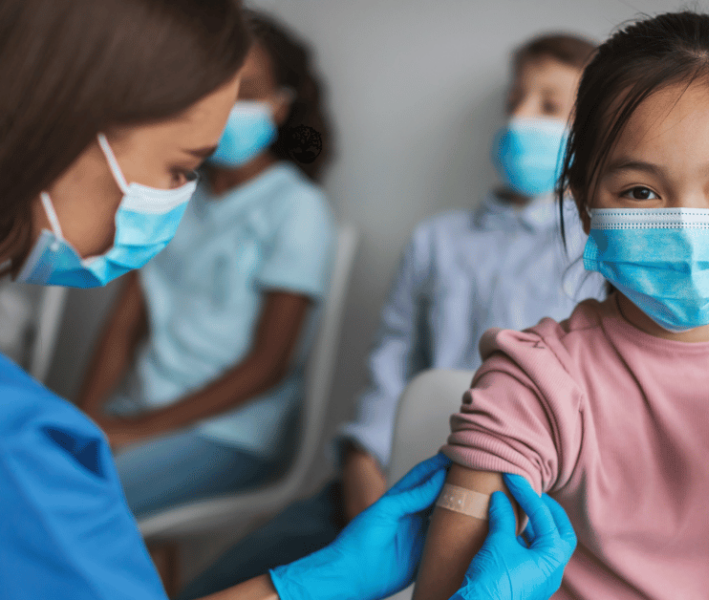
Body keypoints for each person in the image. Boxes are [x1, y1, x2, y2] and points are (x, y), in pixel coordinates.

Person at [0, 1, 577, 599]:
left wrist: (306, 585)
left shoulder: (32, 446)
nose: (173, 200)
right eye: (177, 168)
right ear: (67, 124)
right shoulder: (28, 461)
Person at [413, 10, 709, 600]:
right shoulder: (537, 380)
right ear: (588, 209)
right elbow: (444, 589)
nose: (687, 226)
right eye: (640, 191)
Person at [177, 32, 604, 599]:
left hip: (518, 513)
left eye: (548, 105)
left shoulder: (599, 255)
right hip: (388, 486)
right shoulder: (438, 241)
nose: (520, 119)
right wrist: (362, 462)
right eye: (514, 101)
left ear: (593, 131)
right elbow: (391, 358)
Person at [76, 10, 337, 520]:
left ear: (280, 107)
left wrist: (140, 432)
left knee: (72, 503)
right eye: (219, 89)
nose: (229, 106)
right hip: (139, 413)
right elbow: (124, 323)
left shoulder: (296, 208)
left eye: (249, 92)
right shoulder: (174, 195)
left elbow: (270, 365)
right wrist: (84, 417)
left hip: (231, 434)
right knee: (43, 469)